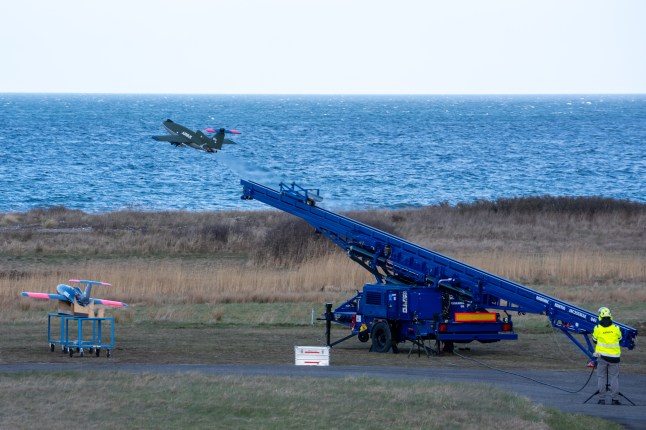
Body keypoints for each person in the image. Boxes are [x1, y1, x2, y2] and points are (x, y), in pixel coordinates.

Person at [592, 306, 623, 405]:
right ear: (610, 317)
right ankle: (615, 399)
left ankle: (601, 399)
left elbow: (594, 340)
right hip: (615, 358)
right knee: (614, 378)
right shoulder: (616, 328)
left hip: (601, 357)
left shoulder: (597, 328)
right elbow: (620, 339)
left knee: (601, 377)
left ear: (600, 317)